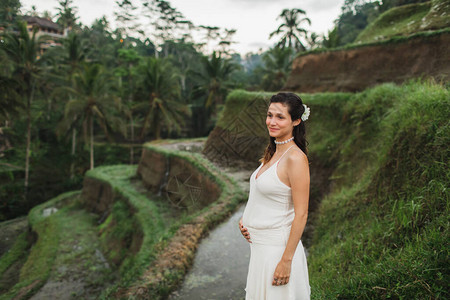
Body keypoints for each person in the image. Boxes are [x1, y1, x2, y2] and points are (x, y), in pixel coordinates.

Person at [239, 92, 311, 299]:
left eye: (280, 117)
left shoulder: (295, 159)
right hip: (260, 251)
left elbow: (302, 214)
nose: (271, 122)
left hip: (278, 253)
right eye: (269, 115)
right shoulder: (273, 153)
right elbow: (263, 197)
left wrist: (286, 261)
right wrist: (245, 221)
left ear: (296, 121)